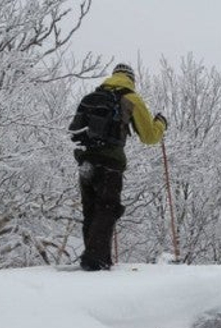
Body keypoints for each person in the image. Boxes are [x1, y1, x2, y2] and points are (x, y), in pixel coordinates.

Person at [68, 63, 167, 271]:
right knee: (107, 207)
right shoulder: (130, 97)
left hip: (85, 160)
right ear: (131, 79)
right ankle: (95, 260)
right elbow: (149, 137)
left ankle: (95, 259)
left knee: (91, 210)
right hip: (110, 161)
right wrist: (161, 125)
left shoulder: (90, 98)